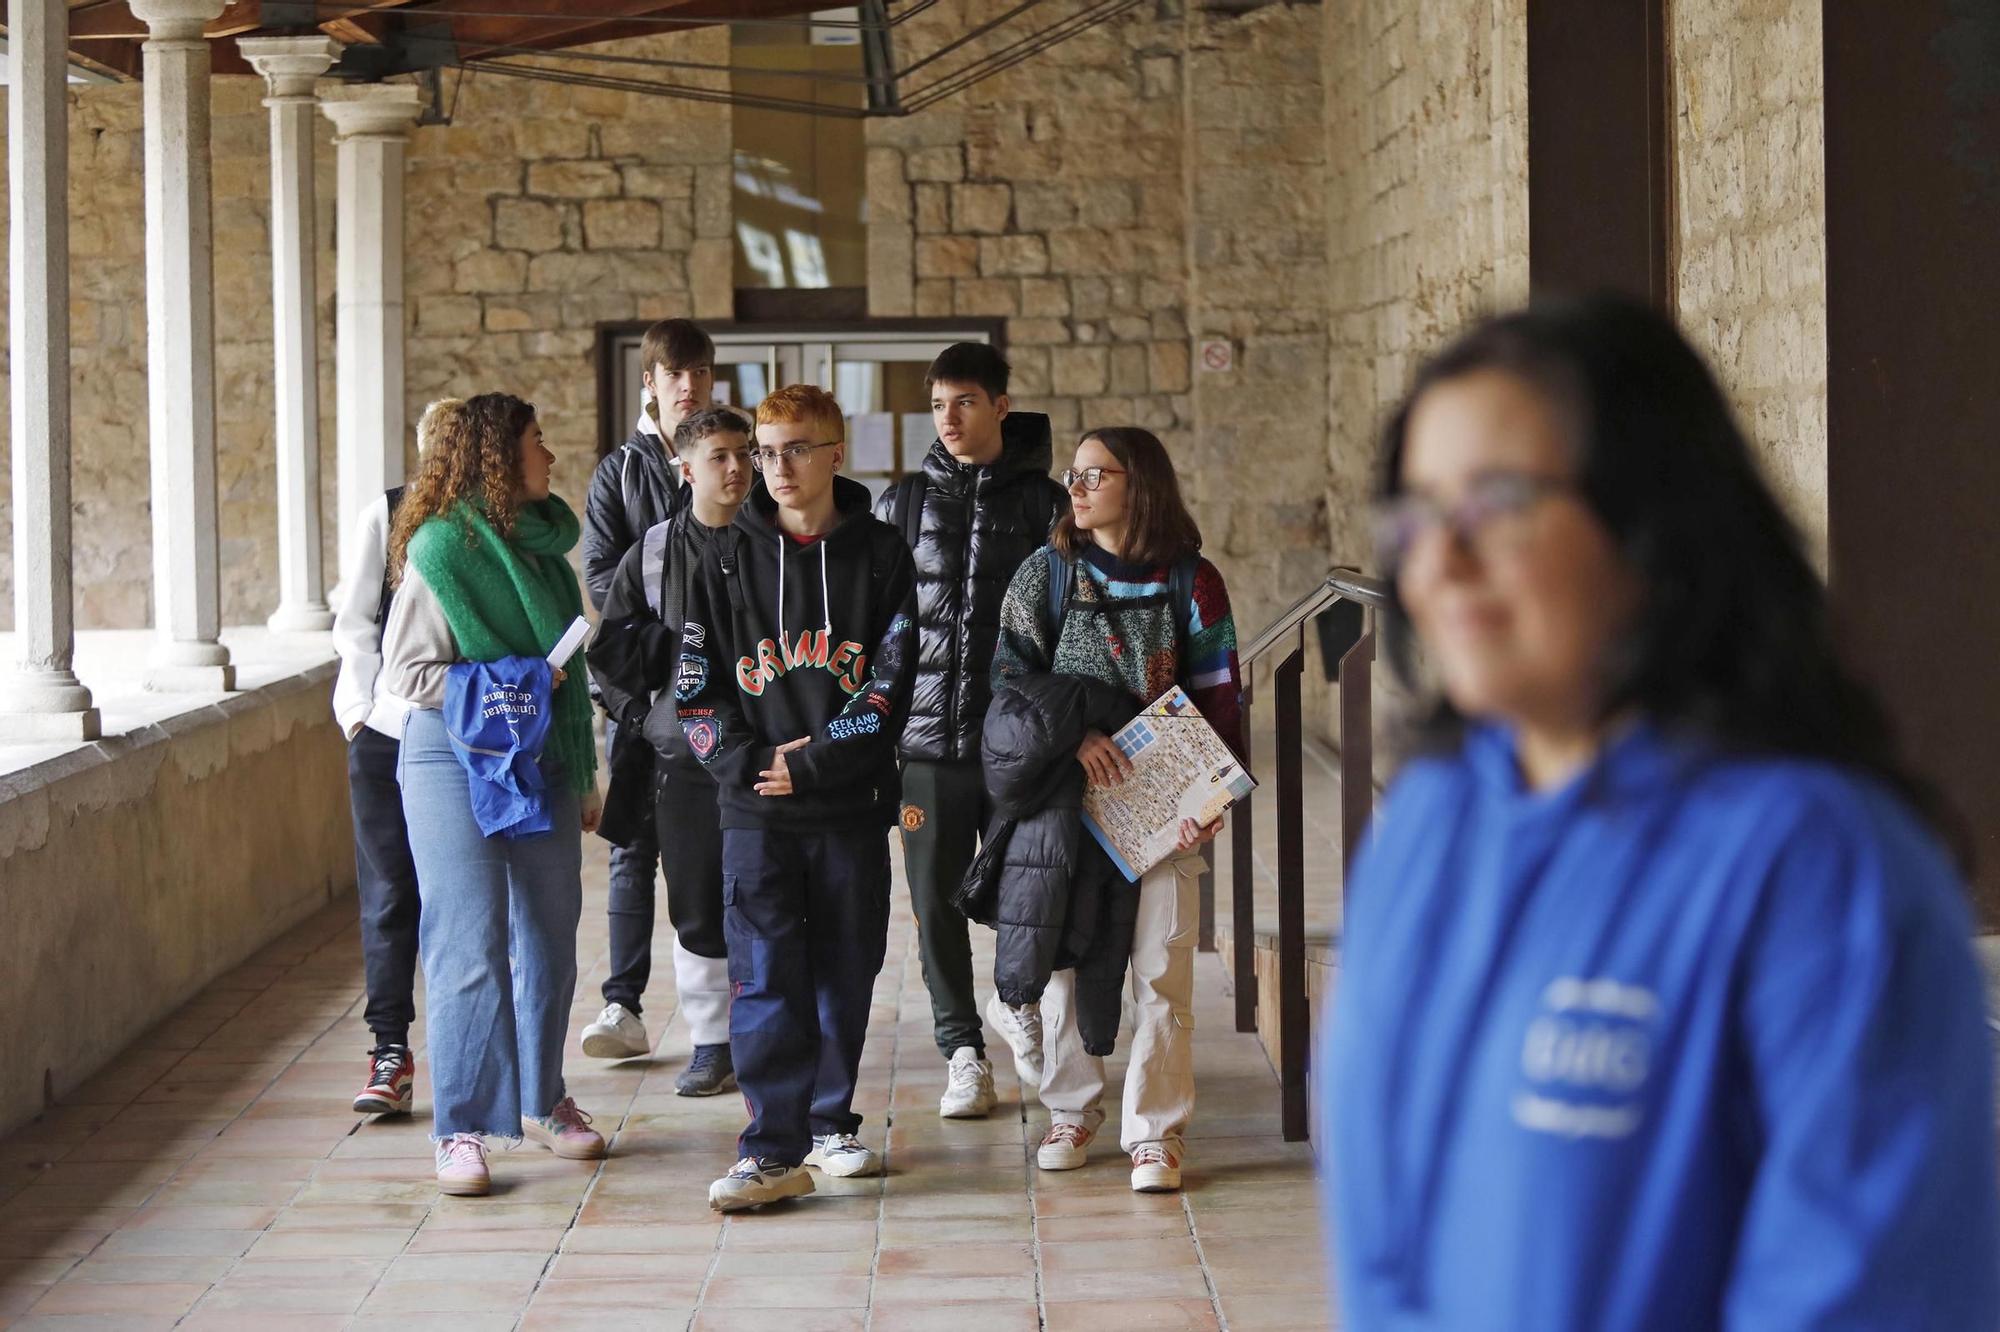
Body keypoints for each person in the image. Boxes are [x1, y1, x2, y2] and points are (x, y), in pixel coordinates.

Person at [1322, 295, 1999, 1329]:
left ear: (1649, 528)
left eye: (1492, 504)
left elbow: (1858, 1294)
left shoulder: (1815, 867)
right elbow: (1378, 1257)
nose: (1439, 563)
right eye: (1415, 514)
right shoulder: (1426, 827)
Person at [674, 384, 917, 1212]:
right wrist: (746, 765)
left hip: (846, 807)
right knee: (766, 975)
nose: (774, 467)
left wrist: (814, 766)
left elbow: (891, 685)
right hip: (756, 814)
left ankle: (828, 1126)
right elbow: (696, 689)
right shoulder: (722, 556)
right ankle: (770, 1149)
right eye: (764, 451)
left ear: (835, 454)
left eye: (795, 449)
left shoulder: (883, 556)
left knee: (846, 971)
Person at [991, 426, 1244, 1194]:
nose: (1078, 485)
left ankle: (1156, 1132)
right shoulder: (1048, 574)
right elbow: (1009, 684)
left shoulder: (1192, 583)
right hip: (1068, 803)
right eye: (1075, 472)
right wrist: (1073, 742)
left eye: (1095, 473)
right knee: (1067, 962)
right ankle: (1072, 1109)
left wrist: (1213, 796)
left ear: (1140, 482)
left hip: (1164, 807)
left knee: (1162, 967)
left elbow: (1221, 698)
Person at [382, 392, 607, 1197]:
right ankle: (462, 1129)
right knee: (467, 937)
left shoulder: (545, 549)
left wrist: (584, 775)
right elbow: (405, 674)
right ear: (499, 458)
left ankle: (544, 1098)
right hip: (450, 756)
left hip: (540, 755)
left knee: (549, 934)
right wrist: (515, 683)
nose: (549, 455)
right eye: (537, 442)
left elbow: (571, 677)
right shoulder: (442, 549)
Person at [873, 342, 1067, 1119]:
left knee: (1036, 893)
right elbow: (879, 628)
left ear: (1001, 407)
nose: (949, 419)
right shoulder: (904, 503)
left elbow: (1068, 625)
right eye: (937, 405)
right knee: (934, 903)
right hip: (925, 748)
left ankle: (1026, 1012)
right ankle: (963, 1052)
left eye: (965, 403)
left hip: (1020, 747)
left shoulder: (1050, 508)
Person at [588, 408, 755, 1096]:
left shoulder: (776, 543)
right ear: (685, 469)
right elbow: (608, 656)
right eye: (719, 456)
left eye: (743, 453)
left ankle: (765, 1030)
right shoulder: (652, 553)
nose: (738, 467)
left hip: (764, 758)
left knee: (768, 899)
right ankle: (711, 1042)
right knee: (694, 903)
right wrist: (646, 720)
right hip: (684, 764)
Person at [579, 318, 719, 1062]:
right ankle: (622, 1006)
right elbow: (602, 576)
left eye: (699, 371)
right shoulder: (619, 474)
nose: (688, 385)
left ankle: (721, 1015)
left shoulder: (729, 457)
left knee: (719, 846)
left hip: (717, 689)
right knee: (632, 845)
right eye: (674, 373)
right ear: (651, 382)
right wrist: (674, 609)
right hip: (639, 688)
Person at [329, 397, 462, 1117]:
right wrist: (357, 714)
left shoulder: (486, 523)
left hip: (460, 734)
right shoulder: (387, 514)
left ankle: (463, 1050)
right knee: (388, 896)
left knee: (459, 899)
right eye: (434, 439)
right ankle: (389, 1050)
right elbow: (353, 623)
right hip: (385, 731)